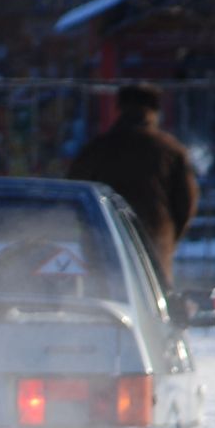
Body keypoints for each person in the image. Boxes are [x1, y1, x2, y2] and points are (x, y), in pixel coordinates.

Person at [68, 82, 200, 285]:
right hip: (155, 239)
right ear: (155, 110)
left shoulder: (98, 148)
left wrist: (88, 235)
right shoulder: (171, 150)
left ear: (119, 108)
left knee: (111, 295)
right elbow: (187, 202)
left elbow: (75, 191)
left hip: (105, 239)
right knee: (153, 297)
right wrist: (169, 236)